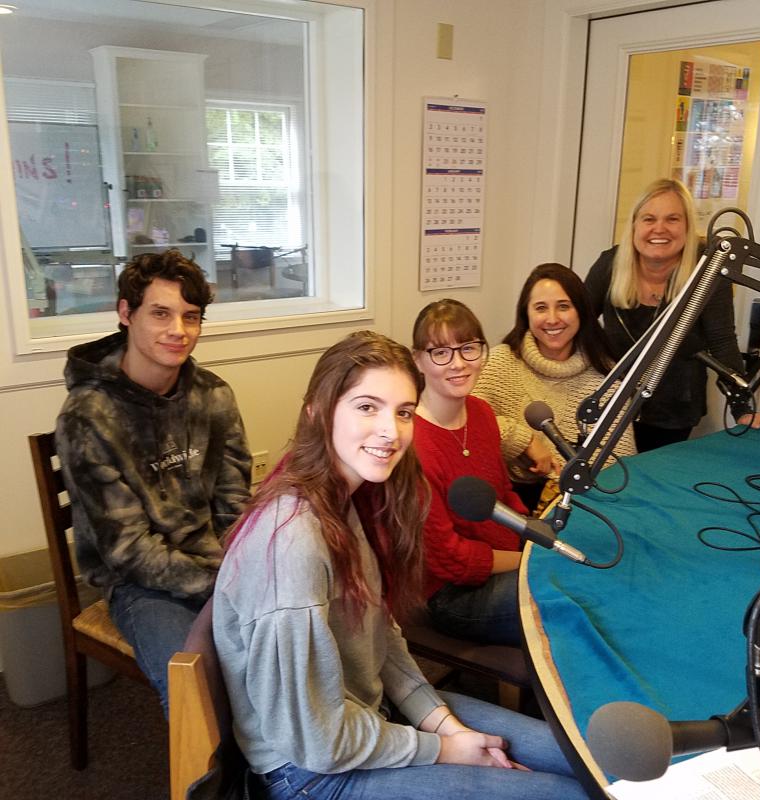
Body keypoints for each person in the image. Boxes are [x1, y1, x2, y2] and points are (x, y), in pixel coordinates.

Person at [213, 330, 588, 800]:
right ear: (317, 410)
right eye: (367, 407)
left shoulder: (353, 502)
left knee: (587, 763)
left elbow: (383, 643)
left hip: (369, 719)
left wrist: (446, 727)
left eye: (404, 412)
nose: (391, 431)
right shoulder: (292, 543)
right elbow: (316, 741)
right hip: (311, 773)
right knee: (567, 794)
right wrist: (443, 749)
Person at [55, 249, 252, 711]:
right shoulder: (88, 416)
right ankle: (213, 781)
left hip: (217, 564)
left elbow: (235, 504)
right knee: (198, 690)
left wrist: (248, 571)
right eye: (160, 313)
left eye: (191, 316)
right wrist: (219, 586)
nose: (178, 331)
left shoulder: (214, 396)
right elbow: (128, 551)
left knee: (292, 649)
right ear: (126, 313)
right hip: (138, 585)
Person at [584, 177, 760, 452]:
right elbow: (580, 324)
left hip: (674, 410)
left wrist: (742, 407)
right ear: (634, 225)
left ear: (687, 227)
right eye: (649, 219)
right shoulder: (609, 265)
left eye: (672, 219)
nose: (659, 229)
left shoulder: (707, 274)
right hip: (613, 402)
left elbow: (722, 342)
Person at [474, 263, 636, 511]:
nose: (552, 319)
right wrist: (523, 440)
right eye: (540, 308)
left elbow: (621, 461)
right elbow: (467, 425)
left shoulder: (606, 376)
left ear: (581, 311)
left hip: (588, 505)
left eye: (563, 307)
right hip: (509, 502)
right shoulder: (500, 363)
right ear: (525, 314)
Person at [411, 299, 527, 646]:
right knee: (559, 601)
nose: (459, 363)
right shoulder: (415, 445)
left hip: (504, 561)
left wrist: (535, 536)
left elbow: (503, 493)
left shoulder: (481, 412)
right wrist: (527, 562)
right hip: (451, 595)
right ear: (418, 359)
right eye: (441, 352)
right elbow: (449, 560)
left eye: (468, 348)